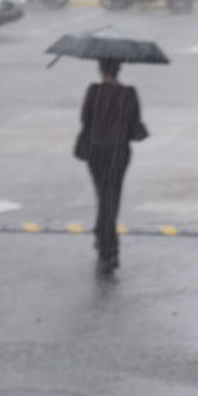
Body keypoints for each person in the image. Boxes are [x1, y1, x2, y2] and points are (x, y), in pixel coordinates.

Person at [77, 58, 146, 274]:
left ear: (100, 70)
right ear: (119, 70)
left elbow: (84, 119)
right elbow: (135, 122)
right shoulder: (129, 93)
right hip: (119, 150)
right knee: (112, 198)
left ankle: (103, 239)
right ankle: (108, 248)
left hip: (96, 150)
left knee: (102, 195)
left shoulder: (93, 91)